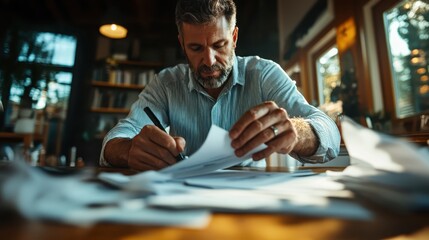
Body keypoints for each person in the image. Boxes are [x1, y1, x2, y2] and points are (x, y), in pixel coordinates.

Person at [100, 0, 340, 171]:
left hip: (254, 200)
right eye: (196, 48)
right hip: (183, 202)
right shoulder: (166, 83)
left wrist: (296, 132)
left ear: (234, 38)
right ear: (182, 44)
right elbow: (119, 136)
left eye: (219, 45)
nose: (209, 60)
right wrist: (129, 150)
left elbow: (329, 131)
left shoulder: (265, 74)